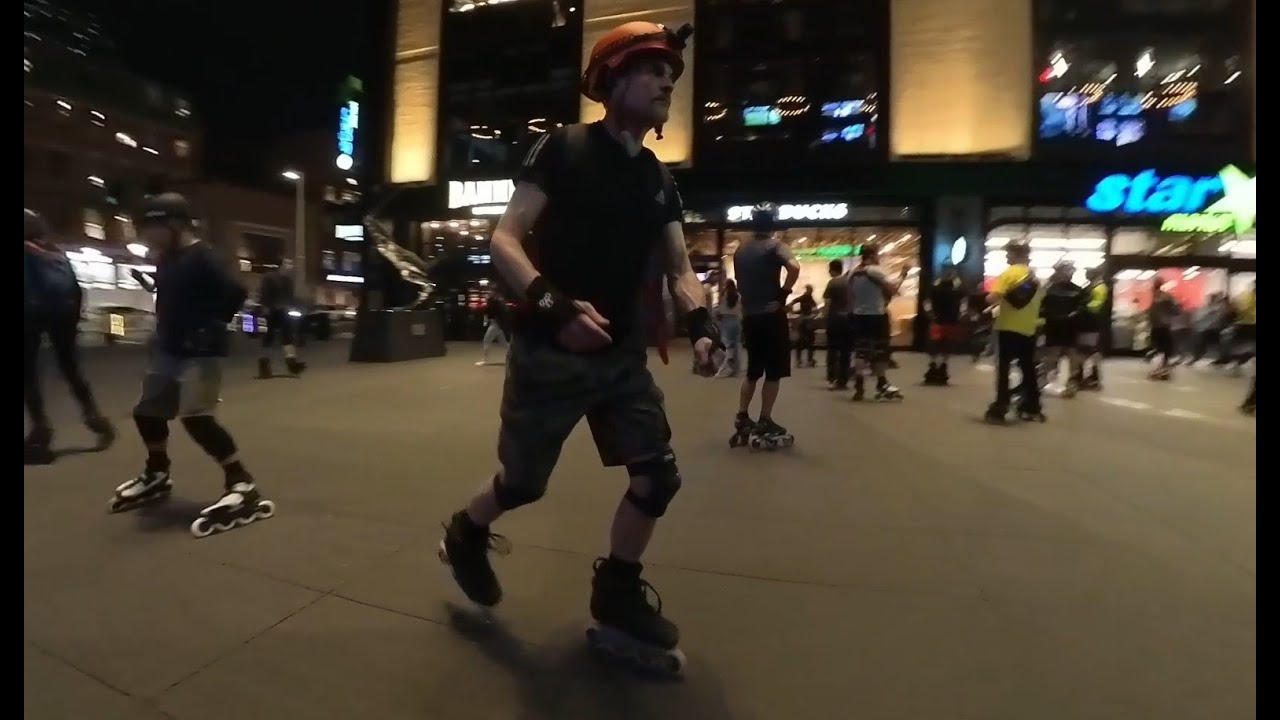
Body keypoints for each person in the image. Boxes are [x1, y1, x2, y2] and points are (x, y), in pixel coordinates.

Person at [435, 21, 721, 672]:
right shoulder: (562, 148)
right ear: (612, 79)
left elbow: (680, 269)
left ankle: (617, 590)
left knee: (657, 475)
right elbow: (504, 240)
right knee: (523, 484)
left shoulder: (658, 179)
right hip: (550, 351)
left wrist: (703, 326)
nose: (667, 86)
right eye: (653, 72)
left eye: (672, 77)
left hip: (621, 356)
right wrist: (554, 306)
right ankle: (467, 531)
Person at [109, 193, 275, 539]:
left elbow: (235, 292)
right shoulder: (166, 258)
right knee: (148, 413)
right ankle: (157, 472)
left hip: (201, 350)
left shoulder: (205, 257)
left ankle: (241, 481)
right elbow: (173, 294)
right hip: (168, 348)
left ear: (175, 224)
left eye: (152, 227)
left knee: (197, 417)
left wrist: (209, 325)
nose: (147, 235)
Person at [23, 209, 115, 464]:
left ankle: (41, 430)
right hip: (63, 315)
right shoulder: (55, 253)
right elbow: (76, 289)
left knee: (28, 374)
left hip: (30, 313)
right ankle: (95, 418)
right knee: (70, 368)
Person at [731, 202, 800, 448]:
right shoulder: (775, 246)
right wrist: (783, 295)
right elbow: (794, 267)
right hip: (771, 317)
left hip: (750, 317)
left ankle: (742, 416)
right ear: (773, 223)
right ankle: (765, 419)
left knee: (753, 371)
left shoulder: (740, 250)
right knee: (773, 372)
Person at [984, 240, 1045, 423]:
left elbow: (992, 297)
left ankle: (1001, 406)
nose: (1006, 257)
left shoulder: (1009, 274)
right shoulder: (1034, 277)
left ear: (1016, 254)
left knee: (1004, 369)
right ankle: (1032, 407)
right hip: (1029, 329)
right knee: (1028, 369)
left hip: (1008, 327)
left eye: (1008, 253)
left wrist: (990, 300)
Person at [847, 244, 907, 401]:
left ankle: (859, 384)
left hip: (859, 316)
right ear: (872, 255)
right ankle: (881, 384)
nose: (879, 257)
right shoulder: (874, 271)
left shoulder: (852, 274)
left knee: (861, 350)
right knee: (880, 350)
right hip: (877, 316)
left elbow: (851, 296)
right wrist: (903, 274)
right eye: (878, 254)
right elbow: (893, 289)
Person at [1038, 260, 1084, 396]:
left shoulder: (1077, 290)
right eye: (1066, 270)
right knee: (1052, 357)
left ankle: (1071, 385)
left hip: (1069, 329)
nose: (1069, 273)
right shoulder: (1049, 289)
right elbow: (1041, 307)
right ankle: (1048, 383)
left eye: (1070, 271)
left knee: (1072, 358)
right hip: (1054, 328)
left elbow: (1081, 308)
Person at [256, 259, 306, 378]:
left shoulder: (287, 280)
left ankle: (291, 363)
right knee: (270, 338)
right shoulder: (271, 278)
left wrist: (294, 306)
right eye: (287, 264)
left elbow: (290, 297)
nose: (290, 267)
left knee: (286, 336)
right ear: (281, 266)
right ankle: (265, 365)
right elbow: (265, 293)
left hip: (283, 310)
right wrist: (265, 307)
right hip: (273, 310)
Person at [923, 263, 965, 386]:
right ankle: (935, 366)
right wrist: (930, 312)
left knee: (946, 344)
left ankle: (940, 366)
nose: (948, 273)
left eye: (950, 270)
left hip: (950, 319)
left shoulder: (957, 286)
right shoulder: (937, 285)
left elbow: (963, 301)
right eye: (946, 270)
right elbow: (927, 300)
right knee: (936, 344)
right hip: (939, 319)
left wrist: (962, 313)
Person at [1074, 266, 1107, 389]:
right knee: (1085, 351)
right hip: (1087, 324)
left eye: (1089, 272)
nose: (1086, 274)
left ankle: (1092, 377)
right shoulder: (1092, 286)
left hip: (1092, 324)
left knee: (1088, 351)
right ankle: (1086, 377)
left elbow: (1096, 306)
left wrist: (1082, 307)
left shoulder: (1099, 287)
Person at [822, 259, 852, 390]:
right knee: (846, 351)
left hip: (835, 319)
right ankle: (843, 380)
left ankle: (832, 378)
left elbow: (827, 303)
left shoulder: (833, 282)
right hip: (849, 320)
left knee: (833, 350)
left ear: (831, 269)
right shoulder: (849, 282)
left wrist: (824, 317)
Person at [713, 278, 743, 377]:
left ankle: (726, 368)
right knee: (736, 346)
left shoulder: (723, 296)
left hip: (726, 321)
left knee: (727, 347)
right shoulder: (738, 296)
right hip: (736, 321)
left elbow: (719, 310)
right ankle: (736, 369)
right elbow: (740, 309)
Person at [477, 289, 511, 366]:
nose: (486, 296)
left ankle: (485, 360)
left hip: (494, 325)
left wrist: (485, 323)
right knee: (503, 343)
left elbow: (488, 314)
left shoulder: (492, 304)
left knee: (486, 341)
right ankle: (516, 354)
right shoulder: (495, 304)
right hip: (498, 326)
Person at [788, 284, 817, 367]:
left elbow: (793, 303)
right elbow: (813, 310)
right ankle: (807, 360)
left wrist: (793, 311)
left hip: (804, 320)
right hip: (806, 321)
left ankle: (801, 360)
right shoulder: (807, 298)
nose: (810, 291)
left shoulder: (807, 298)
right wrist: (793, 311)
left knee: (803, 341)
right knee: (808, 341)